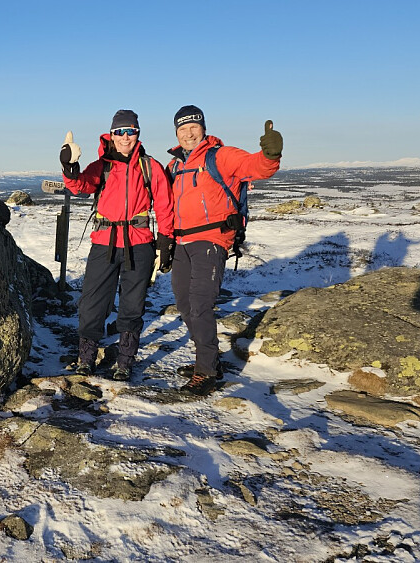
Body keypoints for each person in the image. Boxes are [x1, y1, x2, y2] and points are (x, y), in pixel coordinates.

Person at [164, 105, 283, 394]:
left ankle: (206, 372)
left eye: (193, 127)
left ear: (203, 128)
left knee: (200, 304)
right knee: (184, 305)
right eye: (182, 129)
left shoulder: (221, 155)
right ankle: (208, 359)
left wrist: (271, 154)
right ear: (176, 133)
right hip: (181, 242)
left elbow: (258, 167)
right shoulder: (175, 165)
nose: (188, 133)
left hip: (211, 240)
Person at [59, 109, 175, 380]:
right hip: (104, 243)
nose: (125, 137)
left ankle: (125, 361)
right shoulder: (102, 166)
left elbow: (165, 205)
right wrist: (69, 166)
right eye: (120, 132)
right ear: (111, 135)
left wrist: (165, 242)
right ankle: (86, 358)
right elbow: (79, 186)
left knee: (133, 304)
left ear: (138, 134)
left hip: (140, 244)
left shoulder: (150, 166)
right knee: (92, 303)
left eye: (130, 131)